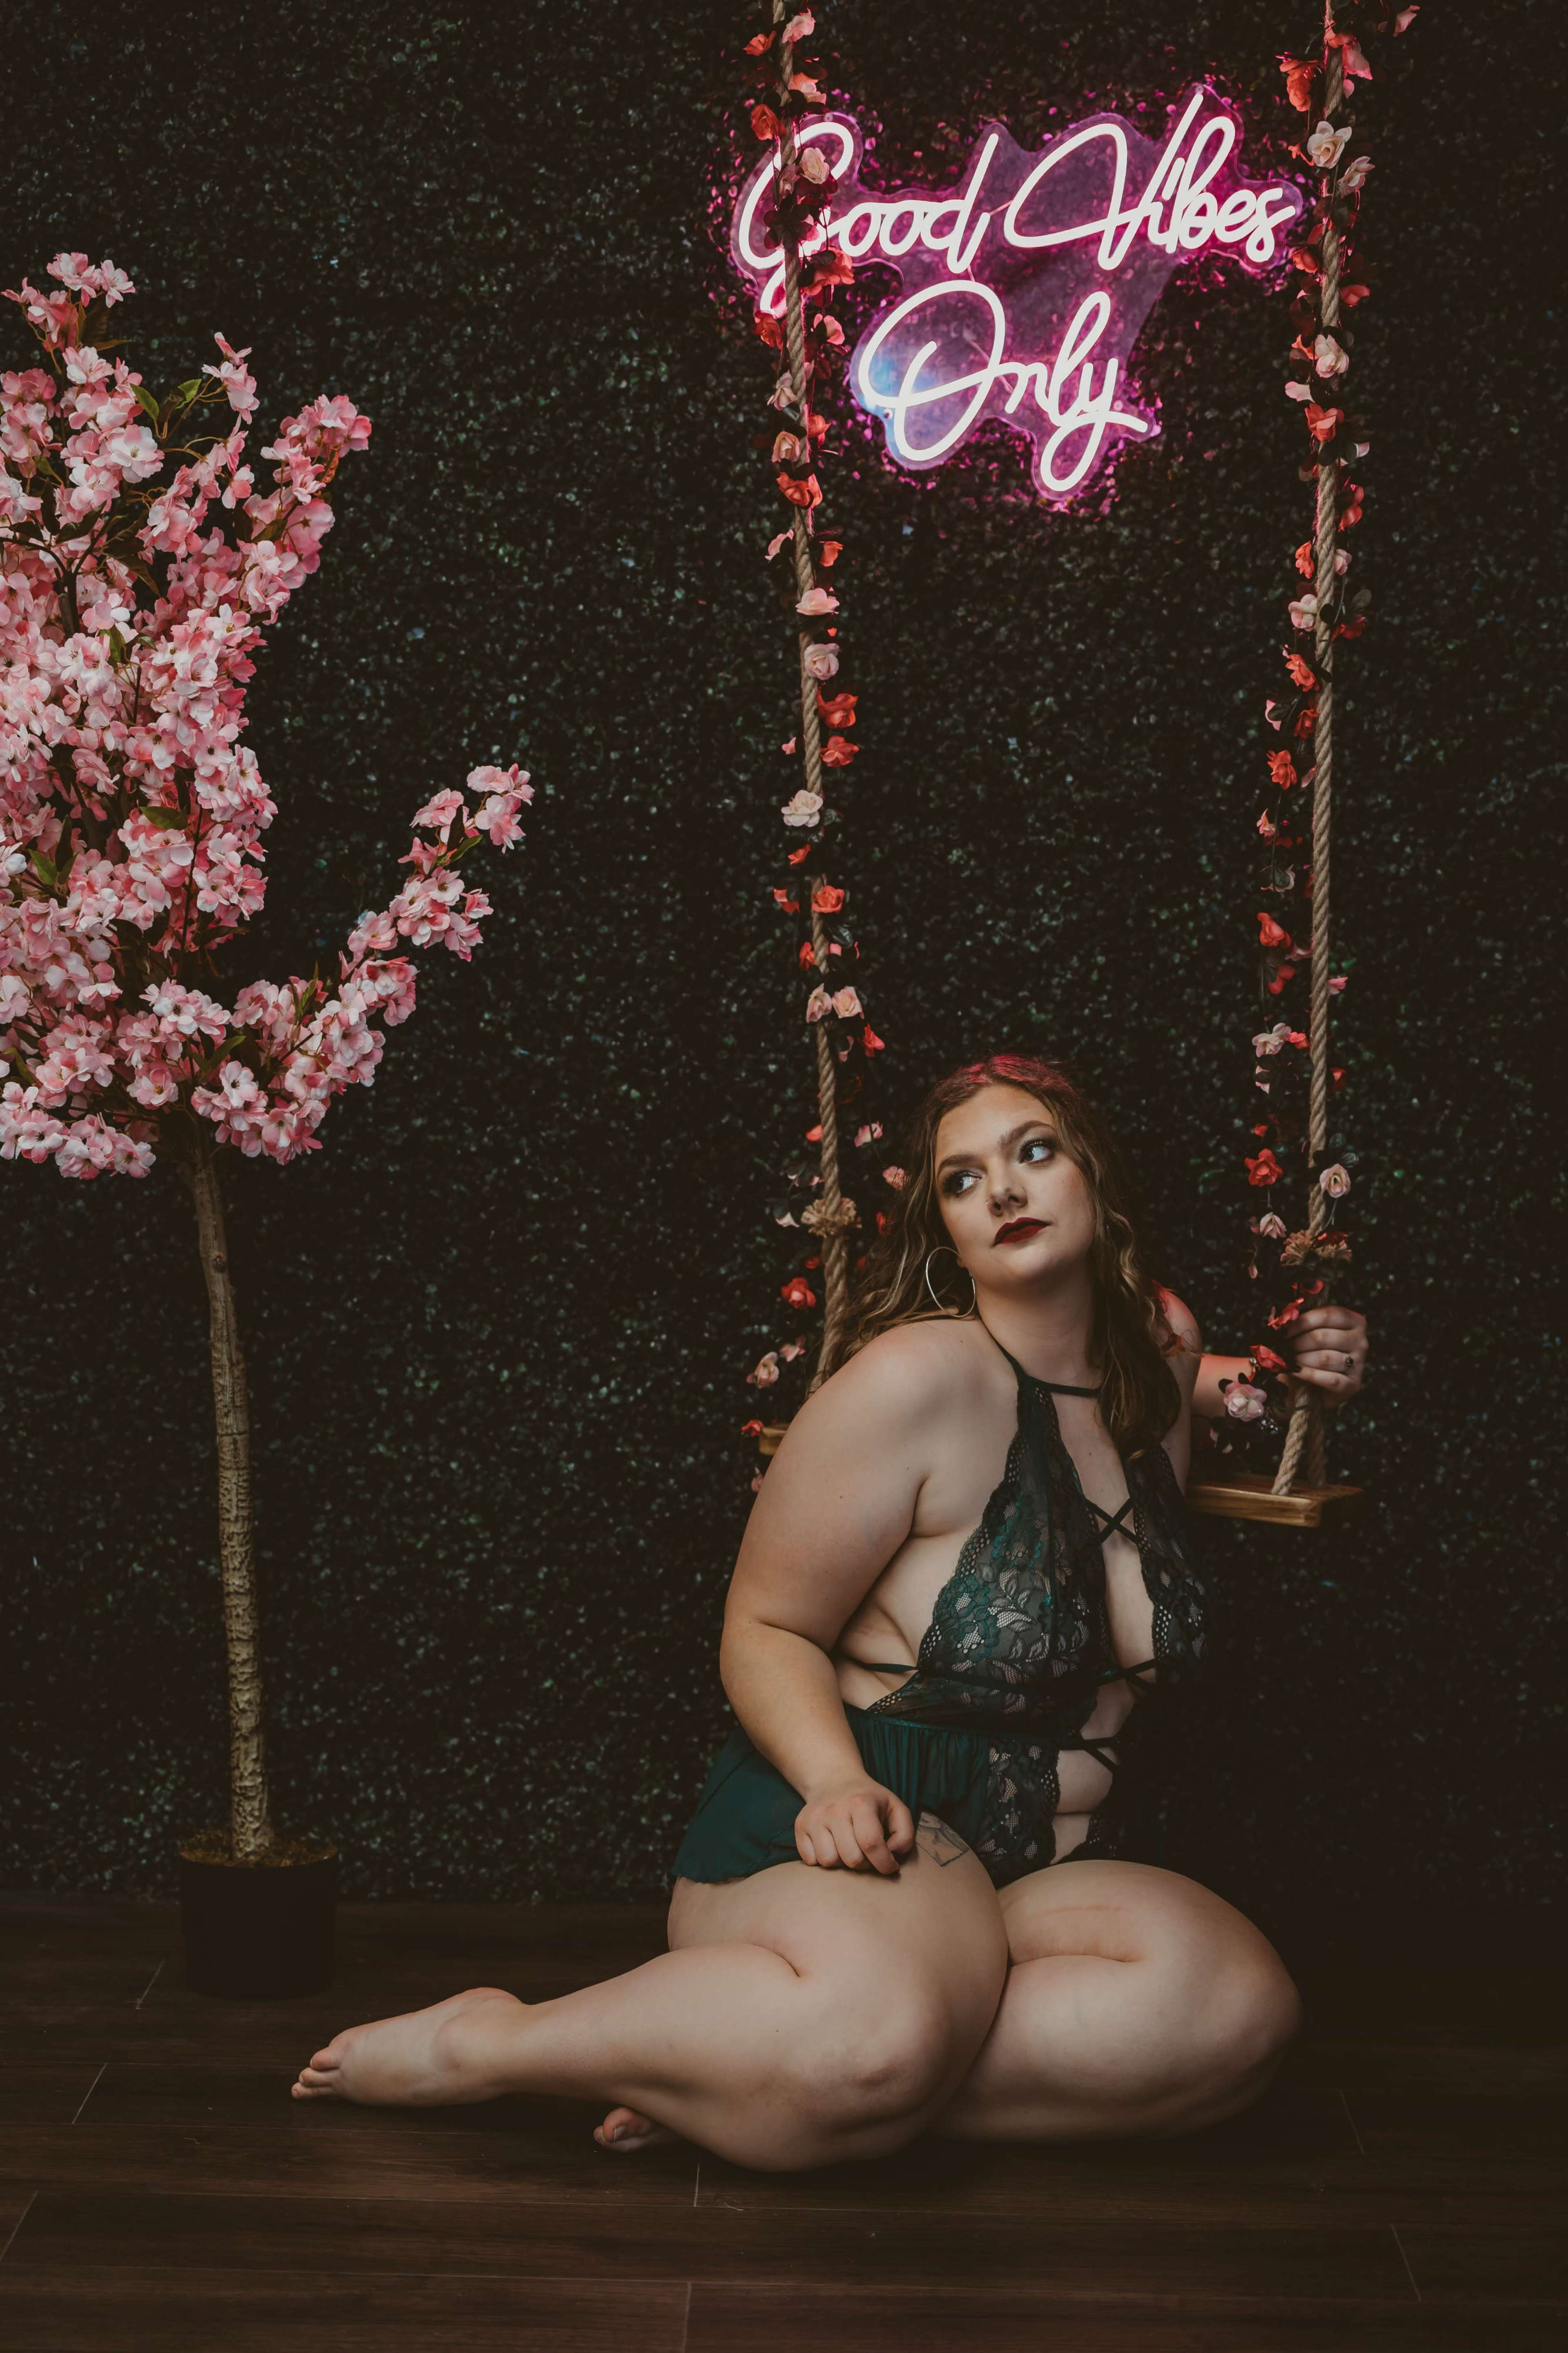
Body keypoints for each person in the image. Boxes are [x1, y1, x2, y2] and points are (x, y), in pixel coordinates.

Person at [293, 1053, 1368, 2169]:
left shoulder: (1159, 1348)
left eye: (1035, 1152)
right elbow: (764, 1627)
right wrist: (834, 1782)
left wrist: (1301, 1368)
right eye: (962, 1180)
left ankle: (733, 2067)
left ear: (1095, 1175)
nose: (1003, 1190)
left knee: (1235, 2014)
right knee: (874, 2044)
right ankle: (493, 2042)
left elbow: (1204, 1375)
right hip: (864, 1822)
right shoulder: (911, 1383)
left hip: (1044, 1868)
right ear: (945, 1235)